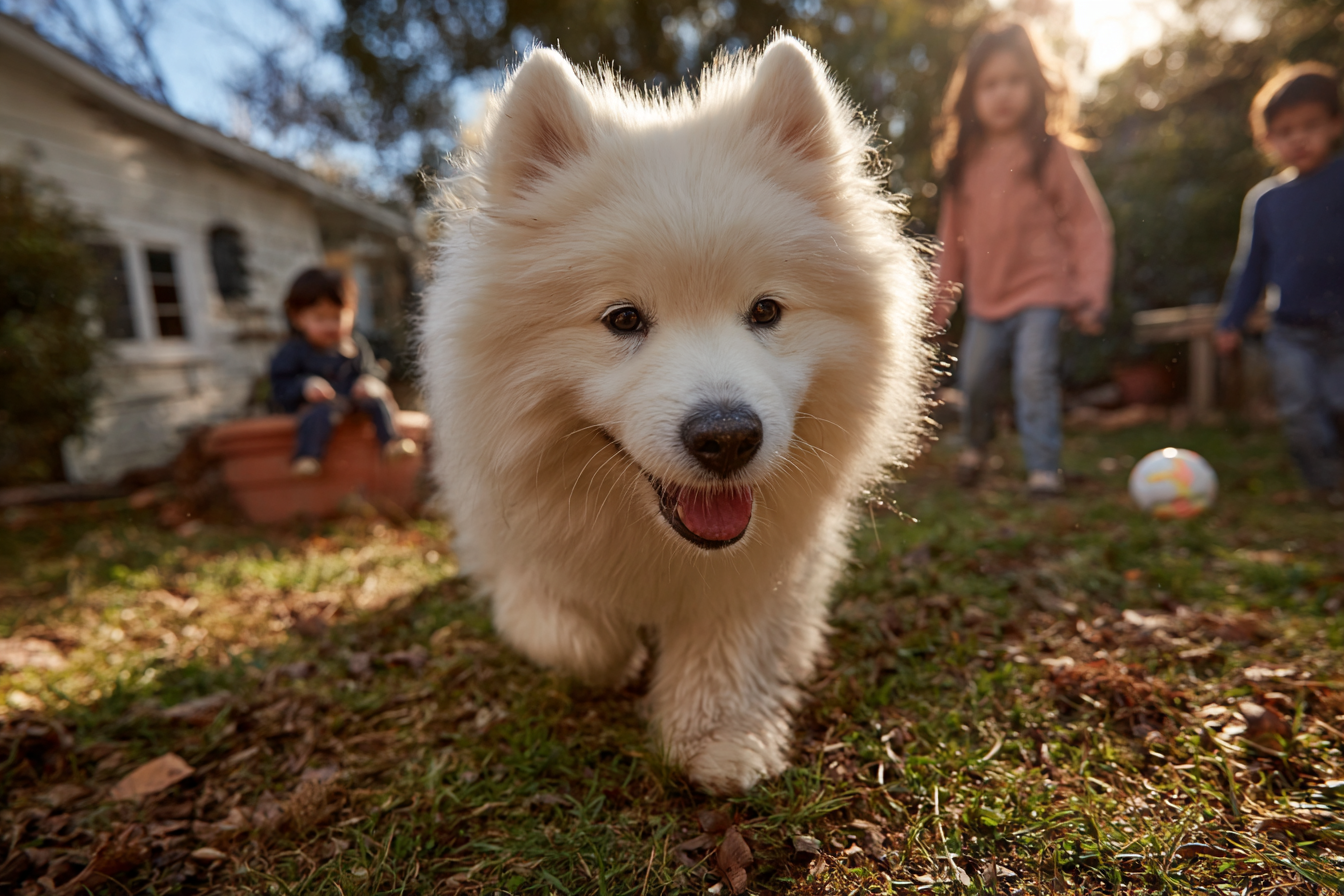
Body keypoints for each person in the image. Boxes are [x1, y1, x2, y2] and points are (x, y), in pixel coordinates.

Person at [930, 19, 1113, 496]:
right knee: (975, 381)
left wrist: (1090, 290)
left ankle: (1042, 469)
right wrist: (937, 304)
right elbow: (951, 242)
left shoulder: (1048, 153)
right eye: (990, 84)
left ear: (1034, 87)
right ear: (971, 94)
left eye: (1014, 81)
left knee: (1035, 376)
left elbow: (1087, 223)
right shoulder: (962, 164)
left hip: (1042, 290)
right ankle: (975, 448)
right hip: (987, 300)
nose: (1003, 93)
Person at [1215, 63, 1344, 505]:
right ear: (1267, 140)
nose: (1299, 138)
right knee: (1300, 408)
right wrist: (1230, 320)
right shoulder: (1267, 200)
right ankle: (1323, 487)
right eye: (1285, 130)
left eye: (1310, 125)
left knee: (1338, 403)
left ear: (1335, 123)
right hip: (1290, 328)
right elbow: (1250, 267)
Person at [270, 268, 416, 477]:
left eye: (337, 316)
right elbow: (280, 387)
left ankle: (392, 442)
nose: (330, 325)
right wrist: (304, 386)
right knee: (316, 416)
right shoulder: (293, 351)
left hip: (354, 405)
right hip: (320, 408)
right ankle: (307, 457)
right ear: (297, 318)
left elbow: (373, 370)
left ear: (352, 312)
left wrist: (370, 381)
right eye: (320, 318)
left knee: (379, 401)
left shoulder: (355, 344)